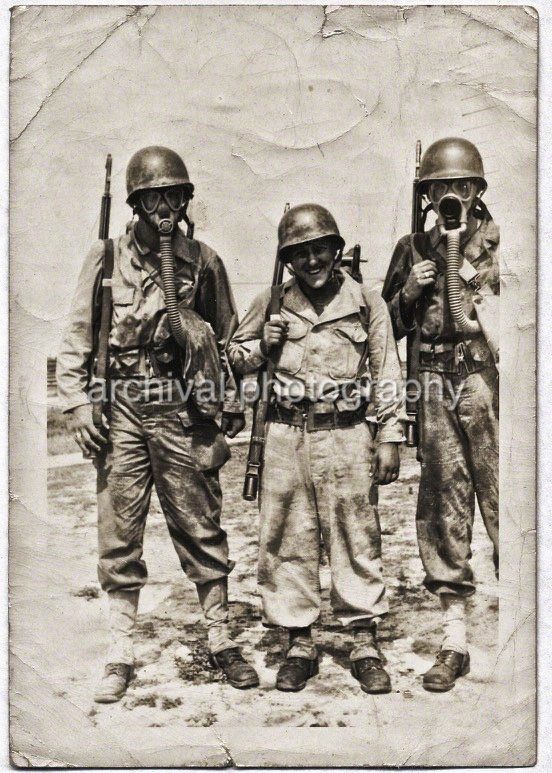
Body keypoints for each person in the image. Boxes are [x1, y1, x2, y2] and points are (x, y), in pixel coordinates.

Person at [57, 146, 259, 702]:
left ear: (185, 200)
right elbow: (77, 334)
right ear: (136, 203)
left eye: (174, 195)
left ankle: (220, 637)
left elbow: (233, 336)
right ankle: (120, 651)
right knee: (118, 530)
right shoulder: (105, 260)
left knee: (200, 523)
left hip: (181, 407)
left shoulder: (204, 261)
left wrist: (228, 395)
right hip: (122, 407)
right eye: (153, 197)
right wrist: (77, 403)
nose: (164, 206)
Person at [228, 204, 405, 694]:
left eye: (320, 249)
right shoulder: (271, 301)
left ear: (336, 250)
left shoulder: (367, 302)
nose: (312, 261)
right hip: (286, 435)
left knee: (356, 534)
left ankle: (363, 641)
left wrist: (389, 435)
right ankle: (299, 643)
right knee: (287, 538)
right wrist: (263, 343)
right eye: (300, 253)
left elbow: (387, 372)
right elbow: (236, 358)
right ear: (287, 260)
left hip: (348, 435)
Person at [382, 137, 499, 692]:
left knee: (506, 501)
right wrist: (409, 289)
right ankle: (456, 639)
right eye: (439, 187)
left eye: (461, 185)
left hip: (484, 381)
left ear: (477, 191)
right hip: (431, 384)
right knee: (443, 502)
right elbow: (386, 326)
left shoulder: (501, 247)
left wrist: (469, 283)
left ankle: (528, 632)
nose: (450, 195)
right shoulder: (411, 249)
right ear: (426, 194)